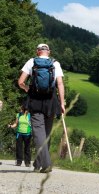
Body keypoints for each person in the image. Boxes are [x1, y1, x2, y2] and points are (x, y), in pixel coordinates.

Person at [18, 43, 65, 173]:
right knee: (46, 134)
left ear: (38, 51)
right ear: (48, 52)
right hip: (51, 101)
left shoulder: (31, 61)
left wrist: (28, 89)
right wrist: (62, 103)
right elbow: (60, 84)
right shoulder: (55, 64)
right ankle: (39, 164)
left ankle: (44, 163)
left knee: (39, 133)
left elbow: (20, 82)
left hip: (35, 101)